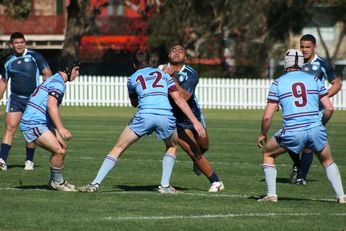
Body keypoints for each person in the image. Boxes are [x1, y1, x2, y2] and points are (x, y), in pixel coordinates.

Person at [79, 50, 206, 193]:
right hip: (165, 115)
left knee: (119, 147)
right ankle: (164, 186)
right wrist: (195, 121)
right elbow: (179, 100)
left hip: (145, 115)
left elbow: (134, 103)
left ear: (134, 64)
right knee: (171, 146)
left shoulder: (132, 78)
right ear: (151, 62)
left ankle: (95, 184)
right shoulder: (164, 75)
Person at [257, 49, 346, 203]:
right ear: (301, 63)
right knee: (327, 160)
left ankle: (271, 194)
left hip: (293, 131)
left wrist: (263, 134)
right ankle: (341, 196)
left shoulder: (278, 83)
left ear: (286, 63)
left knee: (268, 153)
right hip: (315, 128)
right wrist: (320, 124)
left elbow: (267, 117)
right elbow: (329, 108)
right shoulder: (315, 80)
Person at [159, 43, 224, 192]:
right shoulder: (159, 71)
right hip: (175, 120)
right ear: (168, 55)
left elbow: (183, 97)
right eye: (173, 50)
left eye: (180, 51)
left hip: (193, 116)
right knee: (193, 150)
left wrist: (171, 76)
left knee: (204, 146)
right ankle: (216, 182)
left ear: (186, 57)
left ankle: (198, 163)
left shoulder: (191, 74)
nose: (176, 52)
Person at [18, 54, 80, 191]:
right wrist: (61, 129)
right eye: (76, 69)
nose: (78, 73)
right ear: (68, 69)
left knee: (62, 149)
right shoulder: (58, 83)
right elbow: (51, 106)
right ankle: (57, 183)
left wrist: (54, 129)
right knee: (59, 150)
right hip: (32, 123)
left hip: (41, 122)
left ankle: (56, 181)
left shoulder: (56, 80)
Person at [288, 34, 342, 185]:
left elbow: (337, 84)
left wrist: (323, 96)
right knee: (291, 141)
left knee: (308, 144)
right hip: (296, 109)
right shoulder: (295, 63)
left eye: (307, 47)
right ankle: (298, 165)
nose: (304, 50)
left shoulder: (322, 64)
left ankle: (301, 177)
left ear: (314, 47)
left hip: (315, 111)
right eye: (302, 47)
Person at [0, 32, 52, 171]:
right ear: (12, 44)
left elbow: (47, 73)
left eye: (22, 42)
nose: (20, 45)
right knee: (10, 128)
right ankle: (2, 160)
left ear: (25, 42)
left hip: (33, 101)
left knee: (30, 131)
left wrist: (44, 93)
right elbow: (3, 82)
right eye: (16, 43)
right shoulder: (7, 61)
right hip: (15, 99)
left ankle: (29, 160)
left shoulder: (35, 57)